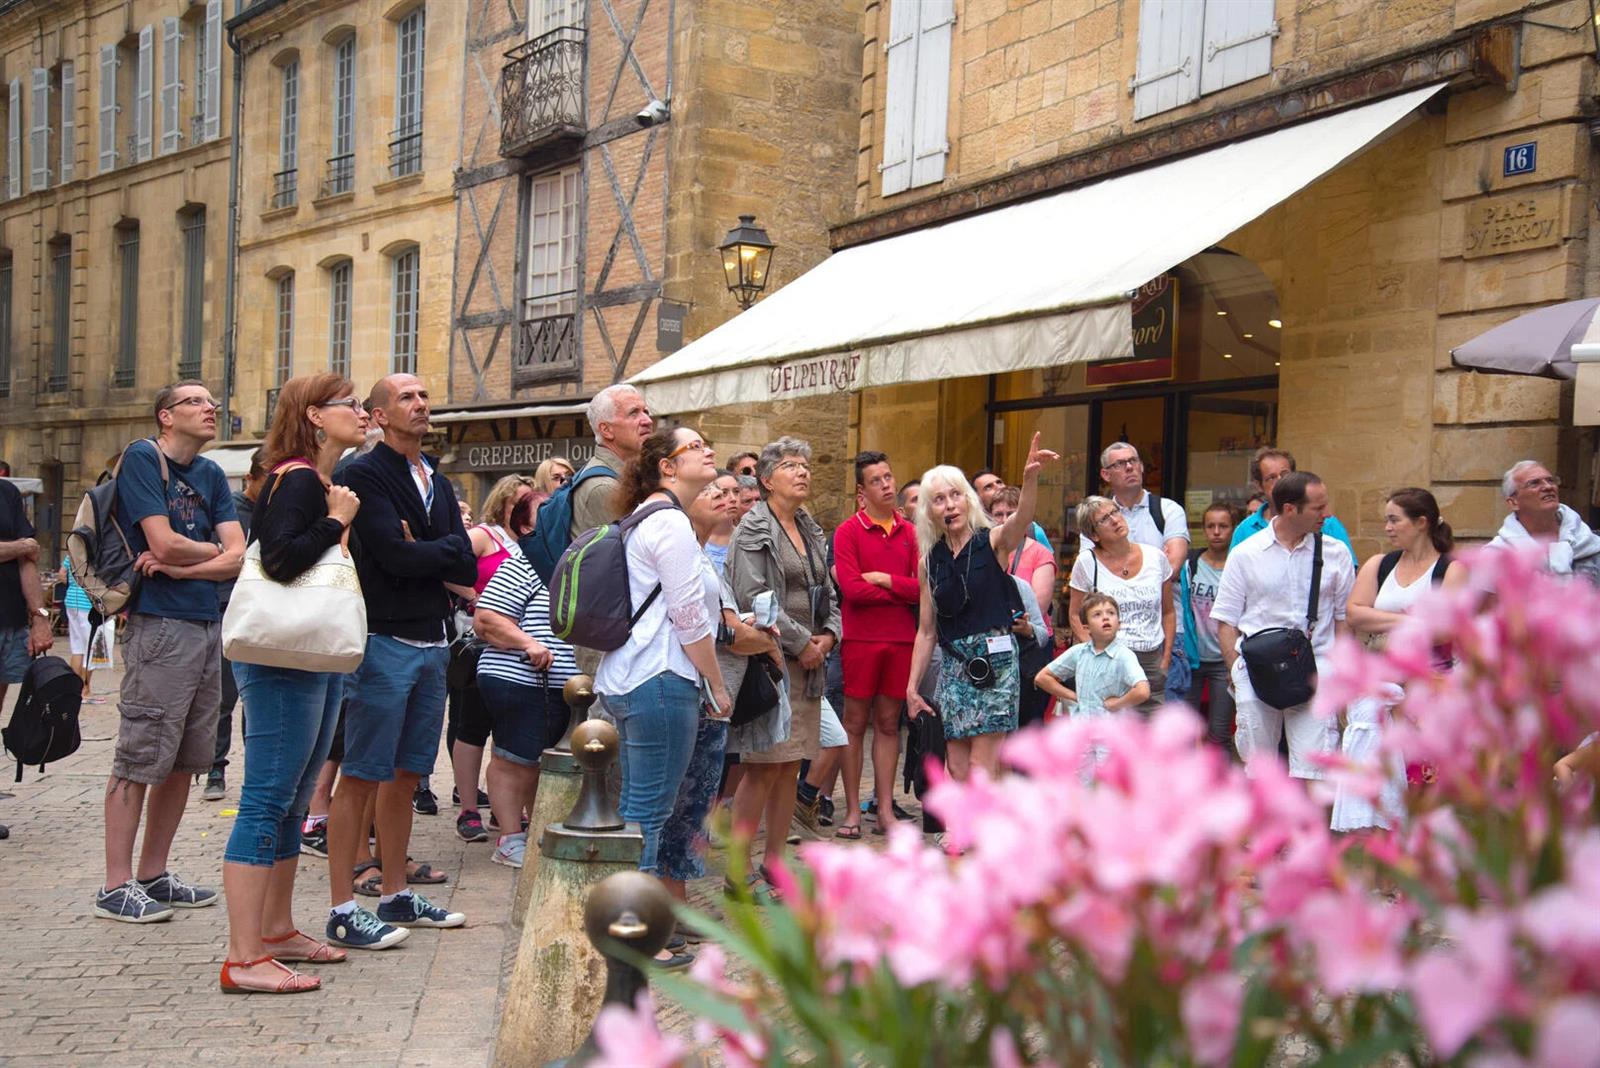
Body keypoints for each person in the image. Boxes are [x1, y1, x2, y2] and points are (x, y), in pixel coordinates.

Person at [219, 373, 370, 992]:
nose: (363, 413)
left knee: (291, 796)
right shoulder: (300, 477)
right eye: (350, 405)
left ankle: (276, 932)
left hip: (310, 654)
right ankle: (242, 956)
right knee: (266, 797)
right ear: (314, 414)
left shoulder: (317, 479)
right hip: (286, 656)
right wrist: (336, 521)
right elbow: (280, 559)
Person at [327, 373, 476, 946]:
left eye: (423, 396)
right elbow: (391, 555)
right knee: (362, 772)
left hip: (432, 639)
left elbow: (463, 561)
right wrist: (430, 550)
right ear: (380, 415)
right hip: (383, 638)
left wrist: (430, 549)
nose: (421, 405)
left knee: (408, 774)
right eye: (407, 398)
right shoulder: (363, 472)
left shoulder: (433, 473)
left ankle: (394, 892)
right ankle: (343, 905)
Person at [96, 380, 243, 923]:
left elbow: (239, 558)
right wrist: (204, 554)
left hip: (207, 623)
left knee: (186, 759)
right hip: (160, 626)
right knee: (139, 755)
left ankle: (154, 875)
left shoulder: (210, 474)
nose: (211, 408)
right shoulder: (141, 458)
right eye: (197, 402)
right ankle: (115, 885)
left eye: (212, 402)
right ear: (166, 416)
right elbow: (162, 543)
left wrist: (186, 564)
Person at [596, 426, 732, 882]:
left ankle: (628, 922)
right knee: (651, 815)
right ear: (667, 468)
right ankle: (636, 930)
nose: (708, 448)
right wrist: (716, 682)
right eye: (695, 445)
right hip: (660, 678)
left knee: (639, 809)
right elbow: (690, 619)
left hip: (635, 676)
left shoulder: (646, 516)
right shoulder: (669, 521)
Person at [658, 477, 779, 950]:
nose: (728, 501)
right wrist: (758, 642)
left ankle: (678, 903)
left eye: (732, 495)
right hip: (697, 691)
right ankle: (662, 911)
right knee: (678, 805)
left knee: (693, 806)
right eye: (715, 495)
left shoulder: (711, 558)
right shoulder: (687, 551)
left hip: (709, 695)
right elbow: (714, 629)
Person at [906, 433, 1059, 781]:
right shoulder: (929, 562)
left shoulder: (992, 540)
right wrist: (912, 687)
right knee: (957, 767)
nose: (950, 505)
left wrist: (1030, 477)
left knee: (980, 765)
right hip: (954, 667)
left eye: (956, 495)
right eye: (939, 499)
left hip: (996, 663)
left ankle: (977, 834)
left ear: (969, 500)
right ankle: (968, 828)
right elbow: (926, 630)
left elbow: (1022, 519)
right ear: (930, 510)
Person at [727, 437, 840, 883]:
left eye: (806, 465)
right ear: (767, 479)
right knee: (762, 768)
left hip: (811, 664)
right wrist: (801, 643)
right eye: (792, 465)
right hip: (774, 662)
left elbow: (827, 591)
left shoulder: (810, 526)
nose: (803, 472)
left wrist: (830, 635)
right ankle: (736, 875)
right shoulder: (754, 528)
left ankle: (774, 864)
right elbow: (754, 597)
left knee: (790, 767)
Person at [1212, 471, 1356, 782]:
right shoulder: (1245, 554)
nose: (1326, 514)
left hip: (1317, 668)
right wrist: (1236, 671)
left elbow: (1345, 620)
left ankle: (1308, 829)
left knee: (1315, 769)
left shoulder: (1336, 552)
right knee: (1260, 769)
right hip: (1257, 669)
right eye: (1318, 508)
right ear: (1290, 509)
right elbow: (1226, 620)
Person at [1336, 488, 1462, 832]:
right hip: (1378, 681)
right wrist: (1413, 622)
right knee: (1380, 773)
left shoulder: (1450, 569)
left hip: (1427, 685)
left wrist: (1382, 619)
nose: (1387, 527)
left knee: (1420, 773)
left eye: (1394, 519)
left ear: (1421, 522)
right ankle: (1384, 859)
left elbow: (1444, 630)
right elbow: (1354, 614)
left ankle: (1420, 858)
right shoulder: (1381, 564)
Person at [472, 505, 579, 870]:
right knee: (514, 760)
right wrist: (528, 643)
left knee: (541, 763)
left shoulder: (580, 560)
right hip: (520, 676)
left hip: (564, 684)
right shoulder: (526, 561)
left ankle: (535, 833)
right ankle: (509, 838)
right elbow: (486, 618)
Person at [830, 451, 918, 839]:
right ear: (861, 491)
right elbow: (850, 588)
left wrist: (886, 580)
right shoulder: (848, 531)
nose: (887, 484)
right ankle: (851, 810)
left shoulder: (912, 533)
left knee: (888, 724)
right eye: (877, 480)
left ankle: (884, 809)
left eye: (889, 476)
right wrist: (897, 592)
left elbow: (921, 590)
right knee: (854, 723)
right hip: (860, 638)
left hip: (901, 639)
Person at [450, 475, 538, 844]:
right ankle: (469, 807)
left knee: (510, 735)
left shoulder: (535, 544)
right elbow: (447, 567)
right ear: (504, 503)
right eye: (519, 501)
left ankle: (509, 811)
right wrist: (476, 597)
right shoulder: (484, 536)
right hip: (482, 640)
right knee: (472, 726)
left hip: (520, 650)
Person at [570, 385, 655, 678]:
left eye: (646, 411)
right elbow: (638, 563)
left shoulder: (624, 479)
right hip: (614, 645)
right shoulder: (604, 488)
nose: (647, 420)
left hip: (623, 638)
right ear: (606, 430)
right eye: (634, 413)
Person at [1095, 442, 1190, 700]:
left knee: (1165, 726)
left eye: (1134, 461)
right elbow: (1089, 571)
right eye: (1120, 464)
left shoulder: (1168, 510)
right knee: (1116, 728)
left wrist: (1117, 573)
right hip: (1112, 635)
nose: (1129, 467)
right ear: (1106, 474)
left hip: (1163, 633)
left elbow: (1172, 566)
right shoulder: (1096, 518)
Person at [1066, 496, 1174, 715]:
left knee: (1151, 732)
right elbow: (1076, 615)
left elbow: (1169, 611)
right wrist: (1096, 653)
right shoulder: (1087, 562)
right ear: (1094, 535)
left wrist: (1166, 657)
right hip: (1109, 657)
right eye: (1104, 519)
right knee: (1109, 732)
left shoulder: (1156, 557)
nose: (1115, 520)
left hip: (1150, 656)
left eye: (1115, 512)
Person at [206, 448, 268, 801]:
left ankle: (255, 774)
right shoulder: (229, 510)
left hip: (261, 612)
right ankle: (216, 767)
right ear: (250, 479)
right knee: (224, 696)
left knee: (257, 698)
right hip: (228, 609)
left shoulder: (275, 510)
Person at [1, 469, 53, 840]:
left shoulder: (7, 493)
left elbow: (30, 560)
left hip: (8, 622)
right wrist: (17, 547)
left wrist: (39, 618)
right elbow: (25, 548)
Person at [991, 485, 1056, 729]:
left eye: (1011, 512)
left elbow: (1039, 605)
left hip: (1030, 648)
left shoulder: (1040, 553)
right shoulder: (985, 549)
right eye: (998, 514)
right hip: (994, 647)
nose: (1005, 520)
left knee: (1028, 724)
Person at [1179, 502, 1238, 755]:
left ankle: (1221, 789)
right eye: (1210, 526)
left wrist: (1235, 661)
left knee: (1219, 732)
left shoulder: (1238, 565)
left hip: (1224, 661)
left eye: (1223, 526)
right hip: (1192, 658)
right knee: (1186, 732)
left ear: (1233, 529)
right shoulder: (1190, 564)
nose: (1216, 532)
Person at [1033, 592, 1149, 719]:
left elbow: (1142, 691)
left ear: (1119, 624)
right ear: (1086, 628)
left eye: (1111, 613)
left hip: (1111, 731)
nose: (1106, 618)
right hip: (1082, 729)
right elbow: (1042, 678)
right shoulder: (1079, 652)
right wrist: (1075, 696)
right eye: (1097, 614)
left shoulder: (1124, 655)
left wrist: (1117, 704)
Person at [1486, 460, 1600, 583]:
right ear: (1514, 502)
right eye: (1534, 483)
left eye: (1551, 480)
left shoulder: (1591, 544)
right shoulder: (1498, 555)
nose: (1548, 487)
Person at [1230, 447, 1355, 556]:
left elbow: (1347, 571)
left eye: (1285, 475)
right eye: (1271, 478)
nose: (1280, 481)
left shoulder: (1327, 524)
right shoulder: (1245, 530)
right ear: (1259, 485)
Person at [975, 467, 1051, 549]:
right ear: (976, 498)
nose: (997, 487)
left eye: (999, 482)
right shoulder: (976, 534)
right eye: (988, 487)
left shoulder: (1033, 530)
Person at [58, 553, 97, 702]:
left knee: (77, 647)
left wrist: (73, 584)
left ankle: (73, 688)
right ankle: (85, 689)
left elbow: (62, 574)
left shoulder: (72, 553)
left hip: (72, 601)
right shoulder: (95, 553)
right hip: (89, 603)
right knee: (92, 648)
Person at [701, 471, 739, 575]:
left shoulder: (747, 538)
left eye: (736, 491)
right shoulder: (697, 541)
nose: (733, 499)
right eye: (724, 493)